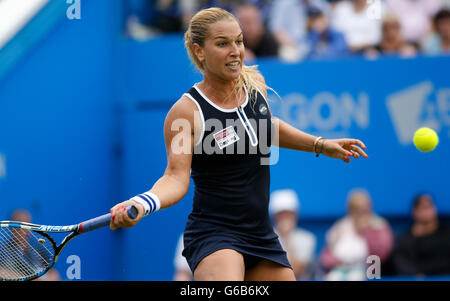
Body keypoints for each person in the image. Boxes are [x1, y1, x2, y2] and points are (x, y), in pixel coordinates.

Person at [109, 7, 368, 281]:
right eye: (223, 44)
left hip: (260, 233)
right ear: (199, 51)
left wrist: (320, 144)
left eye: (239, 41)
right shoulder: (186, 112)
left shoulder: (254, 83)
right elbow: (175, 178)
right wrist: (143, 202)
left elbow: (266, 128)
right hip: (215, 234)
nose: (235, 51)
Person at [319, 189, 393, 281]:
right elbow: (325, 257)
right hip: (339, 271)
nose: (360, 212)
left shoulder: (379, 226)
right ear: (350, 209)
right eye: (356, 208)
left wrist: (366, 232)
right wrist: (338, 263)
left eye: (364, 208)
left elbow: (381, 255)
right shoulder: (340, 226)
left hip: (368, 273)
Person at [387, 193, 450, 276]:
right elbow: (401, 262)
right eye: (423, 208)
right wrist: (417, 274)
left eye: (429, 207)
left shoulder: (446, 235)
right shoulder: (406, 239)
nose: (427, 212)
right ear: (414, 212)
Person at [269, 189, 316, 280]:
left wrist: (287, 238)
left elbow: (297, 269)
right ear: (274, 216)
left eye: (289, 213)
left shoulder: (308, 238)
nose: (285, 217)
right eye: (281, 214)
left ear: (296, 214)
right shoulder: (264, 238)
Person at [8, 209, 61, 281]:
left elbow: (54, 274)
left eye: (27, 226)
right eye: (19, 227)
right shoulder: (3, 252)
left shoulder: (39, 250)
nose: (24, 230)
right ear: (11, 228)